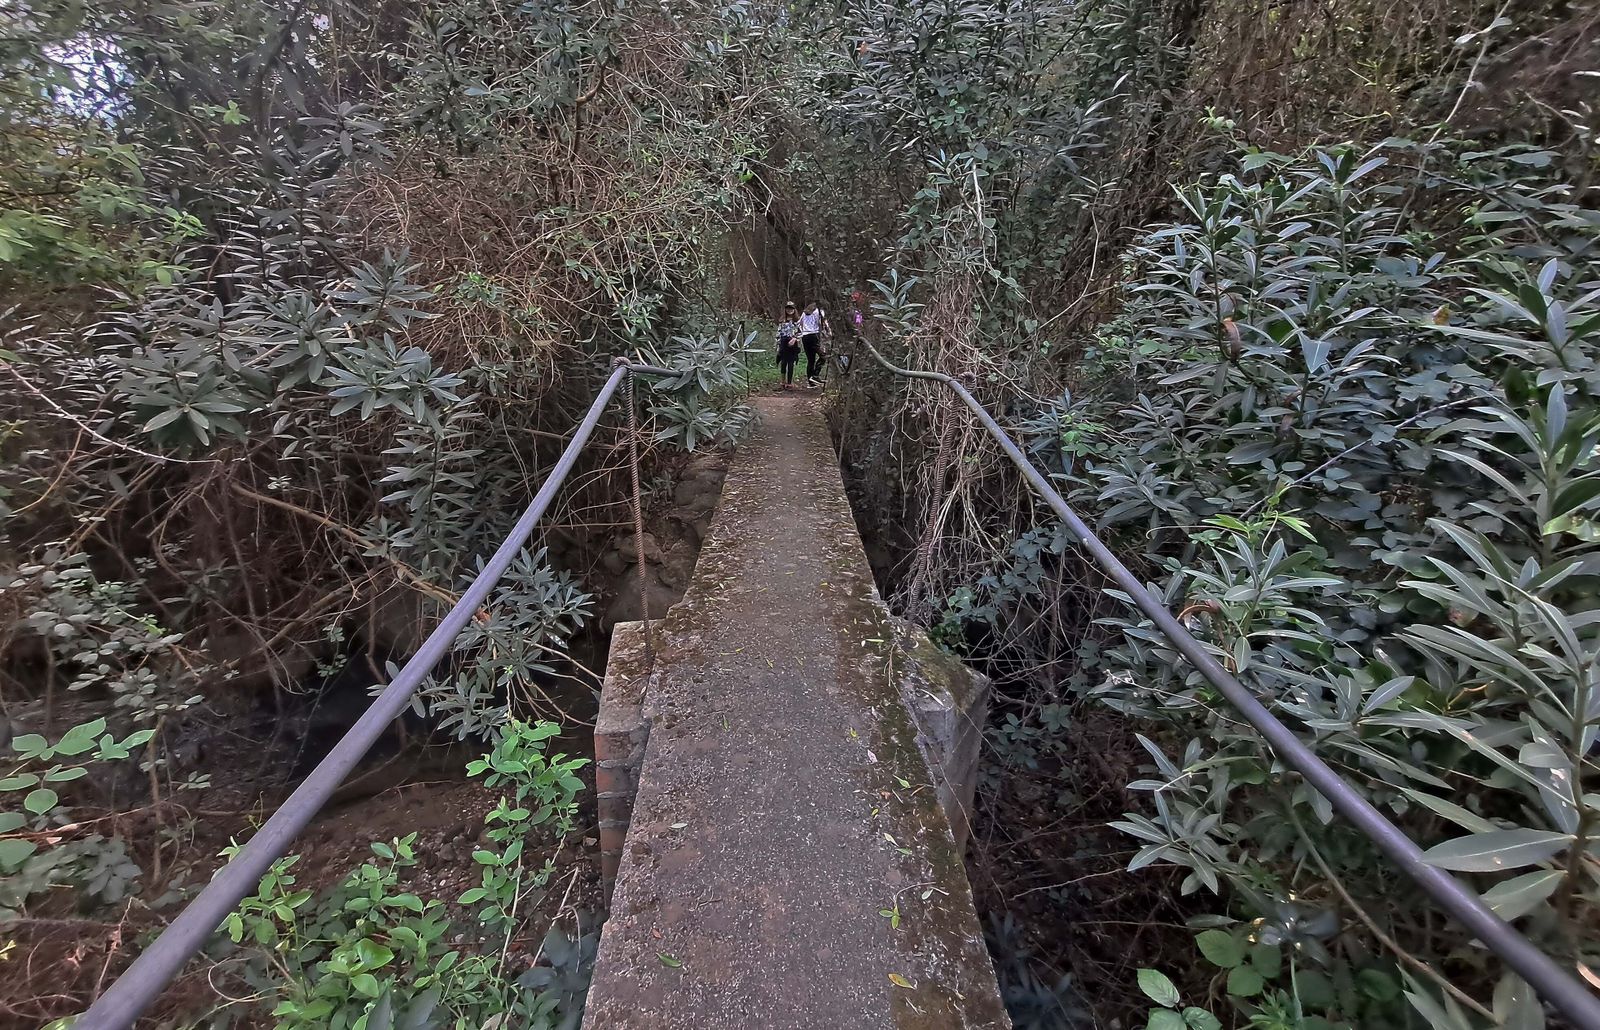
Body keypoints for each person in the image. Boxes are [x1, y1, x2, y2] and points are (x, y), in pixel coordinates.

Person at [799, 300, 831, 387]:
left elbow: (800, 323)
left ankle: (811, 382)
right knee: (823, 356)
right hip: (814, 335)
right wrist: (828, 332)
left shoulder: (805, 312)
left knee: (810, 360)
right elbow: (824, 323)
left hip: (805, 336)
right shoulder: (820, 311)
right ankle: (815, 375)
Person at [776, 301, 801, 390]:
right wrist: (778, 344)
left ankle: (789, 383)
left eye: (791, 308)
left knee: (791, 364)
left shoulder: (797, 321)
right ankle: (782, 382)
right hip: (783, 343)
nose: (789, 310)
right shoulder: (782, 321)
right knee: (783, 363)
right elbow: (778, 333)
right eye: (788, 308)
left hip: (793, 344)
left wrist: (795, 339)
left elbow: (801, 332)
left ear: (794, 310)